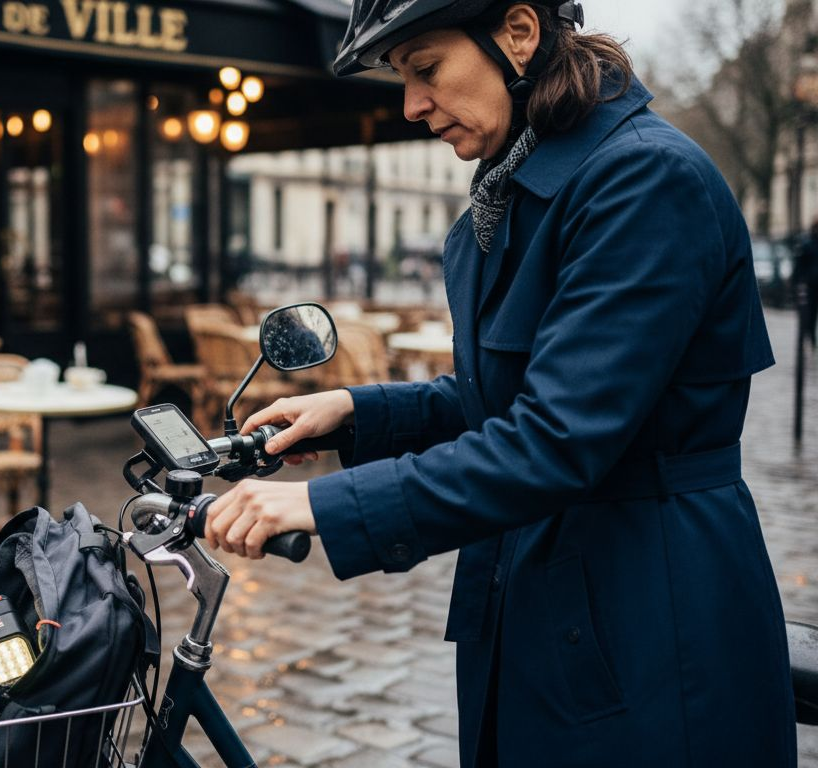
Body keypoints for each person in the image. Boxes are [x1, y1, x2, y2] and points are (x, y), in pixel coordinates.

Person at [203, 2, 795, 766]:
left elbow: (555, 437)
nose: (411, 105)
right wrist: (354, 411)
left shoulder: (642, 178)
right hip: (555, 590)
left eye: (426, 69)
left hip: (648, 605)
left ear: (518, 34)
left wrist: (323, 503)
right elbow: (502, 397)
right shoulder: (521, 181)